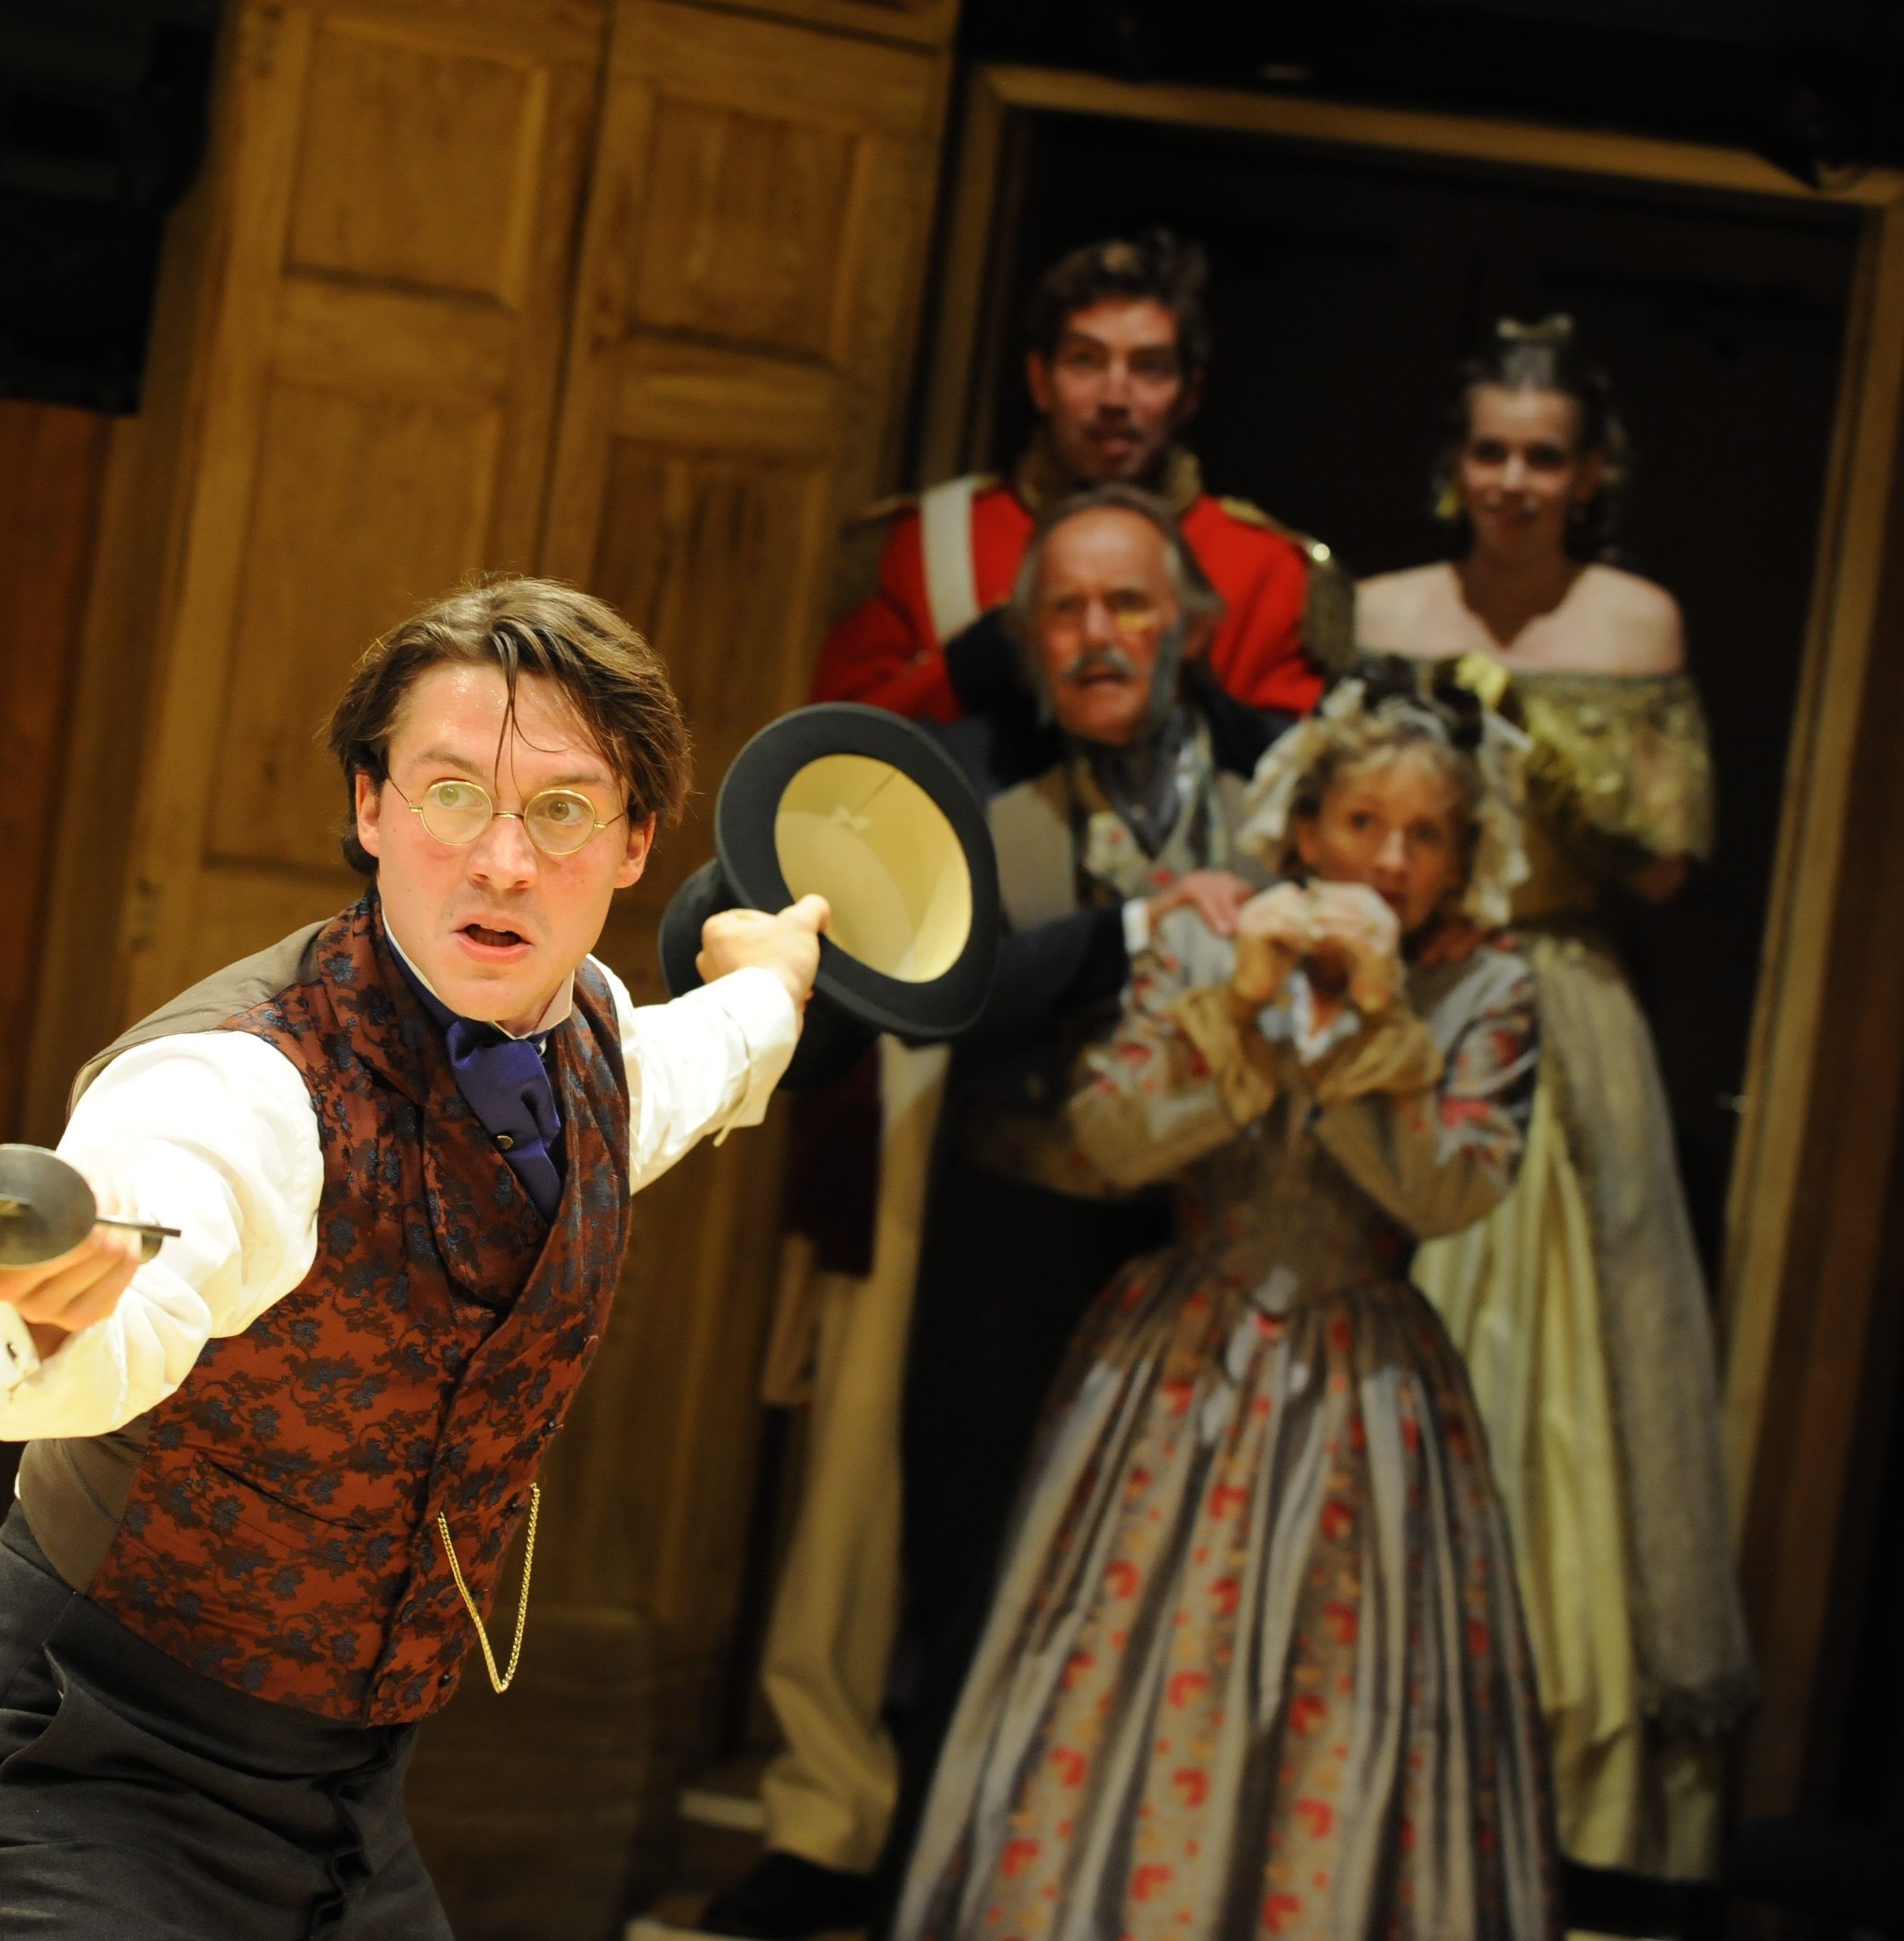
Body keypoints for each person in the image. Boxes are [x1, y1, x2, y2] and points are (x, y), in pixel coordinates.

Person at [0, 577, 829, 1939]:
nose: (501, 861)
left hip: (344, 1808)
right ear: (370, 805)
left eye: (561, 811)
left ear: (635, 844)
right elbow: (134, 1260)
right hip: (83, 1765)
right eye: (451, 794)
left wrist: (770, 976)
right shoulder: (243, 1086)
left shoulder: (601, 1058)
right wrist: (49, 1303)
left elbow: (709, 1055)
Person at [895, 664, 1561, 1941]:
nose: (1391, 860)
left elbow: (1456, 1188)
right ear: (1304, 826)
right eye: (1363, 822)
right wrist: (1246, 1017)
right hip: (1178, 1357)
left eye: (1428, 835)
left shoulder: (1487, 991)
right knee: (1121, 1666)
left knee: (1346, 1686)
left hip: (1366, 1385)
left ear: (1464, 858)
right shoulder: (1212, 945)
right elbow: (1106, 1134)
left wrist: (1367, 1037)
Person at [705, 490, 1261, 1940]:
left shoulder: (1270, 775)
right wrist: (1130, 934)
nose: (1097, 636)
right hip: (994, 1223)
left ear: (1188, 626)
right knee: (945, 1548)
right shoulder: (958, 777)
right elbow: (936, 991)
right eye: (1064, 610)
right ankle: (907, 1871)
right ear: (1025, 637)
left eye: (1128, 605)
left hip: (1205, 1243)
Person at [1359, 319, 1754, 1880]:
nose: (1514, 480)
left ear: (1590, 475)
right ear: (1453, 465)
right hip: (1399, 988)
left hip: (1558, 1001)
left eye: (1543, 456)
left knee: (1572, 1366)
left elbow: (1664, 866)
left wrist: (1547, 766)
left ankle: (1549, 1781)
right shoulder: (1379, 607)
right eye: (1491, 451)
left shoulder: (1631, 619)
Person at [811, 230, 1348, 774]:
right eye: (1085, 361)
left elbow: (1305, 787)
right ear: (1040, 380)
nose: (1115, 397)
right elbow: (830, 759)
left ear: (1190, 394)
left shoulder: (1269, 569)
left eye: (1150, 368)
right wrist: (966, 671)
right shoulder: (927, 542)